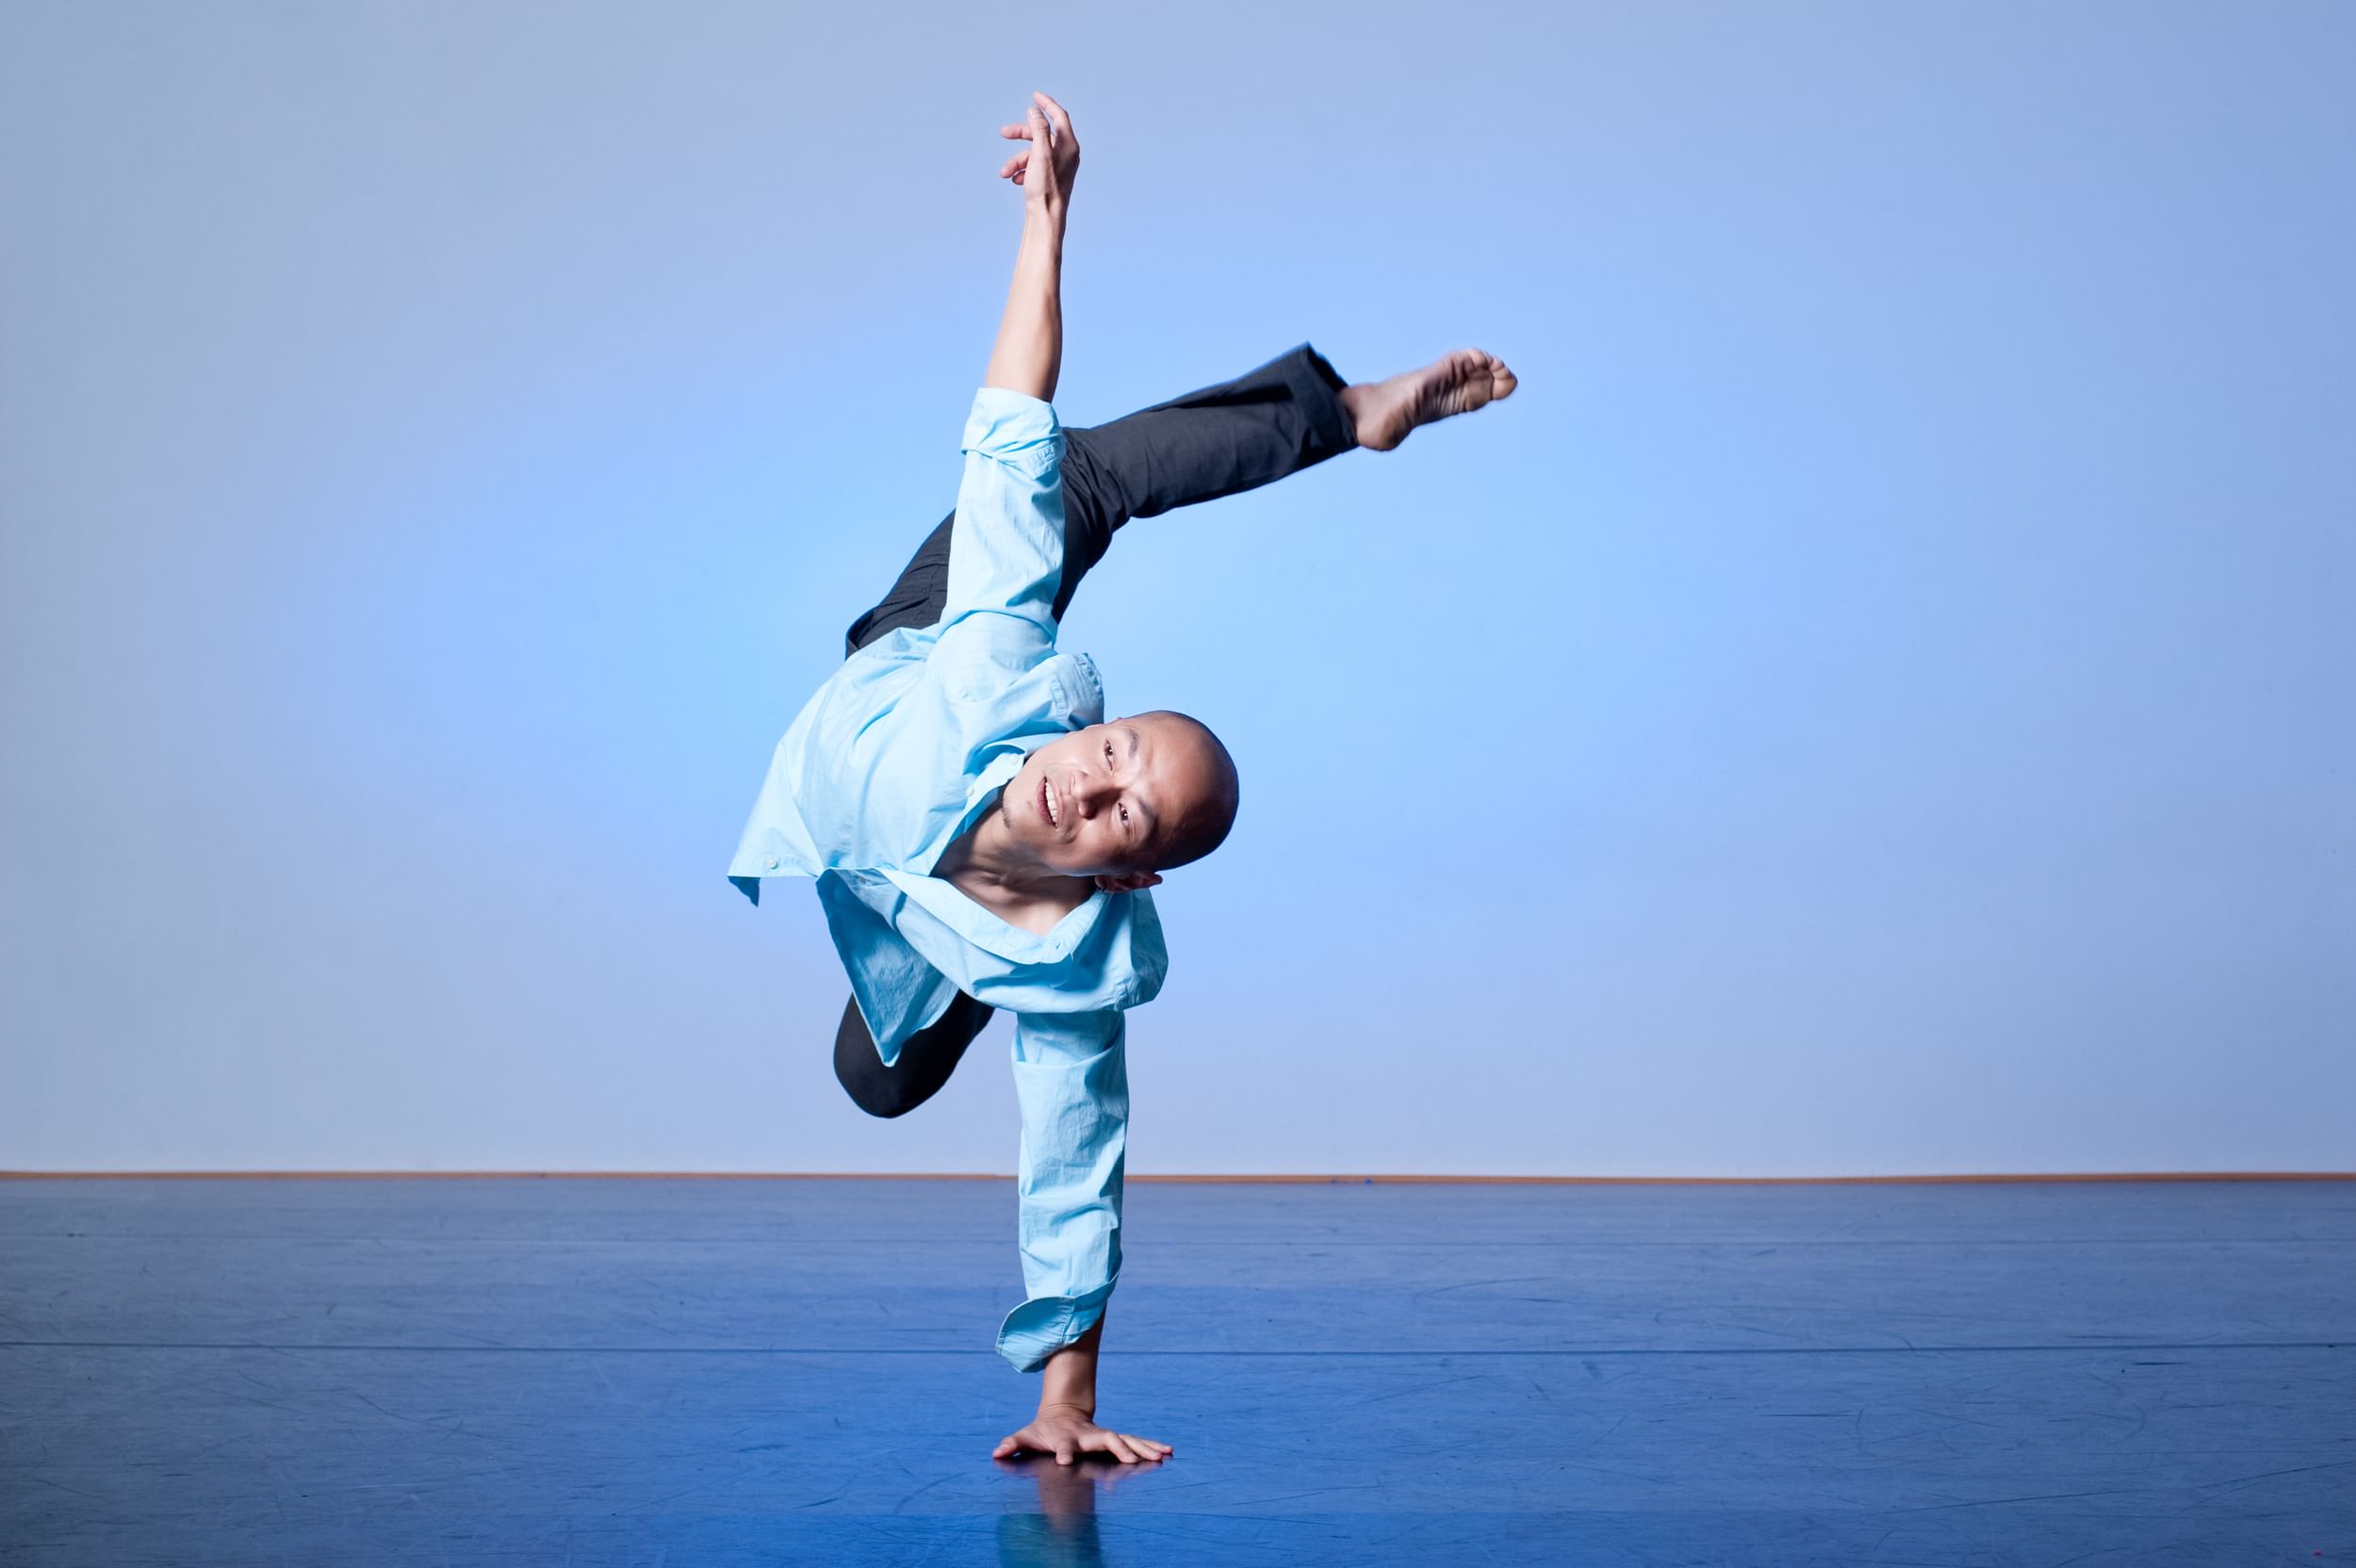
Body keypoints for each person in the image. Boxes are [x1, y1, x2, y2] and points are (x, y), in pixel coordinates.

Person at [726, 90, 1514, 1467]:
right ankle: (1342, 414)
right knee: (1065, 476)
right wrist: (1047, 224)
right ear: (1084, 729)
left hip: (966, 911)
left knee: (879, 1083)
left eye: (1121, 810)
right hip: (909, 670)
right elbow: (1012, 422)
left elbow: (1074, 1168)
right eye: (1106, 755)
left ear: (1134, 871)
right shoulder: (995, 671)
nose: (1085, 789)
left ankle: (963, 954)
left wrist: (1066, 1403)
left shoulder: (1077, 968)